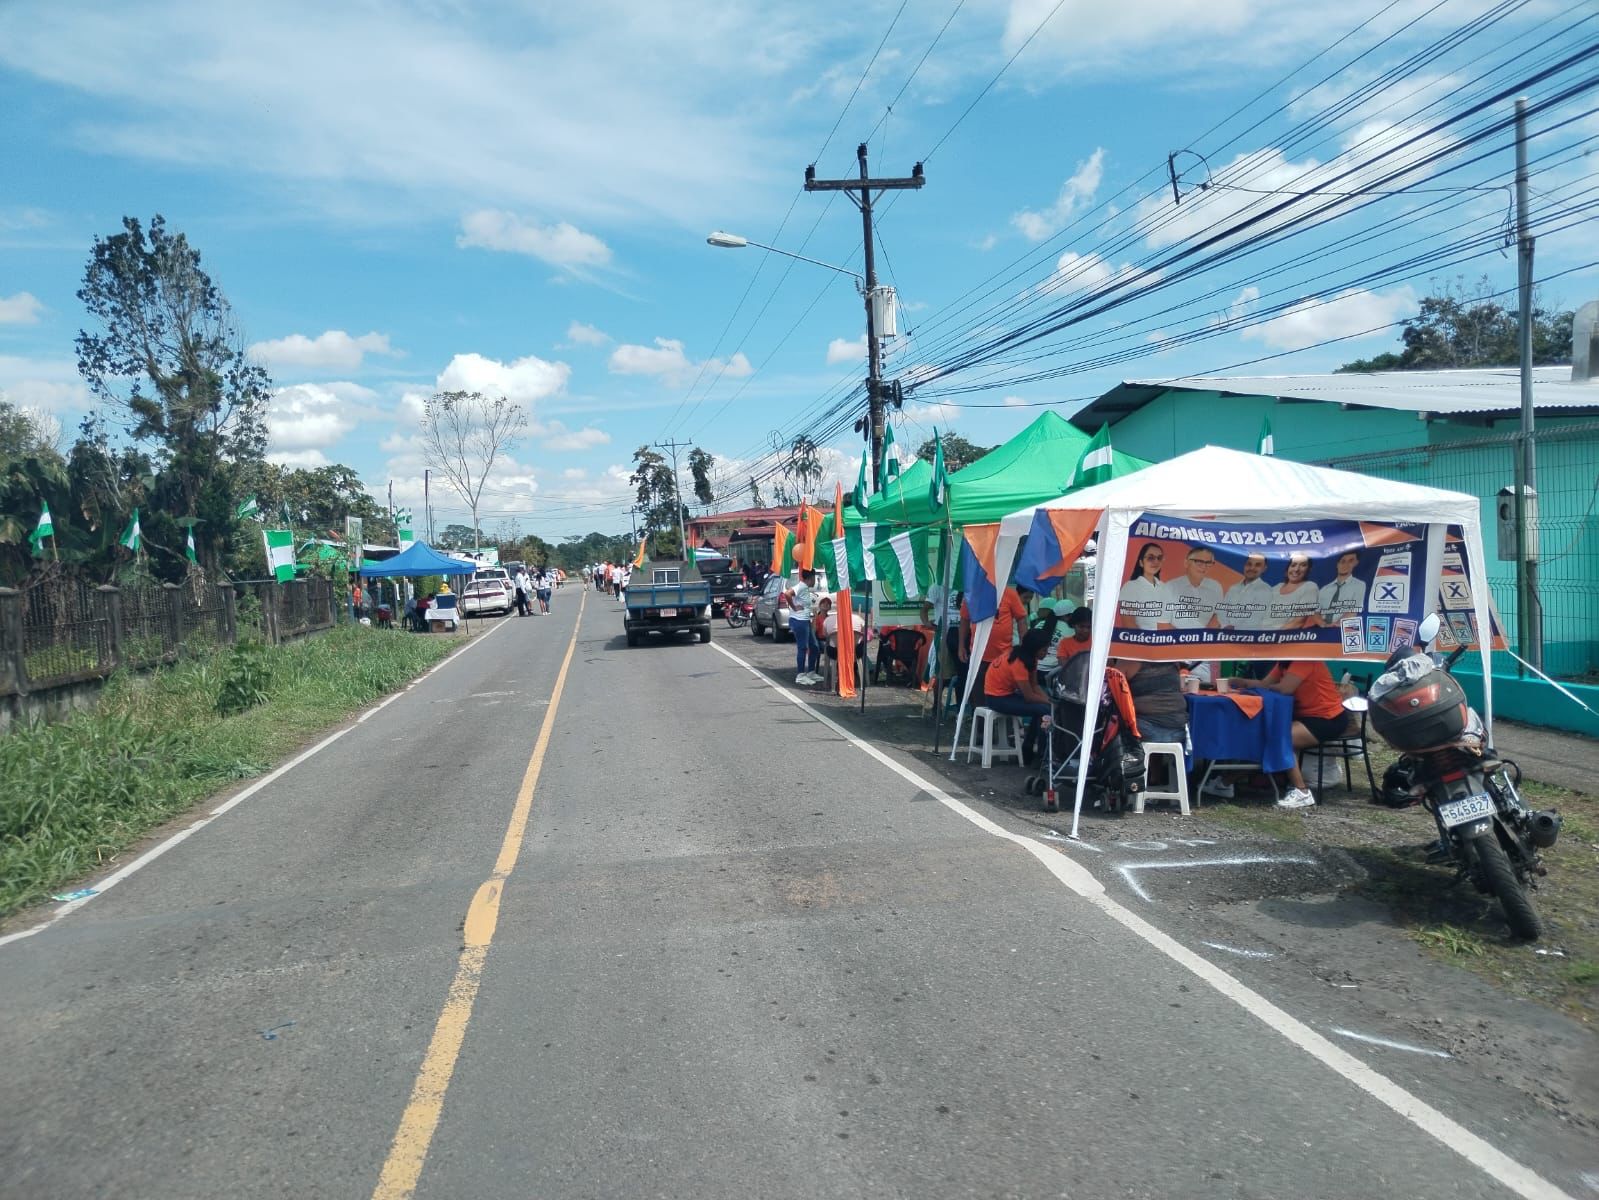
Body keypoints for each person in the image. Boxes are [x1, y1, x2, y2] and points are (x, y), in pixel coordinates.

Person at [1230, 659, 1353, 808]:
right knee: (1268, 735)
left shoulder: (1304, 661)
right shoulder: (1283, 662)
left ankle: (1302, 792)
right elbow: (1264, 683)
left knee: (1282, 738)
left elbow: (1285, 689)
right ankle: (1226, 781)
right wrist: (1242, 682)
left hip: (1328, 719)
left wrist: (1262, 686)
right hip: (1307, 717)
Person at [982, 628, 1053, 767]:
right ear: (1034, 649)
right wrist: (1050, 702)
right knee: (1044, 711)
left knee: (1043, 710)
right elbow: (1029, 696)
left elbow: (1035, 686)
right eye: (1043, 650)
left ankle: (1028, 748)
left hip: (1006, 694)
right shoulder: (1019, 663)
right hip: (996, 698)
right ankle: (1042, 756)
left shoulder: (1030, 658)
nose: (1046, 653)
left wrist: (1049, 701)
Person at [959, 584, 1030, 697]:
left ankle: (1001, 714)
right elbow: (964, 620)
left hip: (1003, 656)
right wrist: (961, 645)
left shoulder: (1009, 593)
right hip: (978, 655)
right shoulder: (973, 592)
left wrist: (1024, 646)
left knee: (1002, 692)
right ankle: (977, 713)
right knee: (978, 694)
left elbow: (1021, 619)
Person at [1161, 545, 1222, 629]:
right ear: (1186, 563)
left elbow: (1218, 614)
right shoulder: (1171, 587)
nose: (1204, 567)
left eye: (1208, 563)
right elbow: (1163, 622)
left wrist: (1205, 636)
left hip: (1205, 638)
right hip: (1177, 638)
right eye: (1199, 561)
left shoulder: (1216, 586)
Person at [1219, 552, 1275, 630]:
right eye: (1249, 564)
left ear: (1264, 569)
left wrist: (1234, 628)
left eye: (1257, 565)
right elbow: (1223, 610)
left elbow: (1256, 618)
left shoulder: (1265, 590)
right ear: (1244, 566)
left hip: (1247, 637)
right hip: (1225, 634)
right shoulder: (1234, 588)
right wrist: (1225, 626)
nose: (1252, 568)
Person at [1118, 543, 1167, 629]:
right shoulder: (1130, 587)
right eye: (1150, 558)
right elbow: (1128, 624)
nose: (1156, 561)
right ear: (1141, 562)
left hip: (1163, 640)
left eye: (1159, 558)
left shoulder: (1164, 587)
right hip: (1141, 640)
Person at [1267, 553, 1321, 629]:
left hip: (1280, 636)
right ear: (1288, 568)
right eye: (1293, 565)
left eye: (1303, 565)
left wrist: (1272, 636)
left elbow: (1298, 622)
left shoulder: (1310, 586)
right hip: (1258, 634)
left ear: (1309, 569)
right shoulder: (1276, 587)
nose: (1296, 569)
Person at [788, 569, 820, 685]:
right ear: (811, 578)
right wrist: (794, 606)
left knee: (814, 646)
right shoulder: (801, 586)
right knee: (803, 647)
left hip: (805, 620)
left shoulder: (805, 589)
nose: (815, 581)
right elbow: (787, 594)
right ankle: (800, 675)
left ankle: (811, 672)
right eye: (815, 578)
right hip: (799, 620)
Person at [1318, 550, 1367, 625]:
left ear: (1356, 563)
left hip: (1342, 628)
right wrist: (1324, 625)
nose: (1346, 565)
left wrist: (1335, 625)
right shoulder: (1325, 589)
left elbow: (1354, 611)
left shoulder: (1359, 585)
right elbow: (1315, 612)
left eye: (1350, 561)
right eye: (1343, 561)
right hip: (1322, 628)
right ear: (1337, 564)